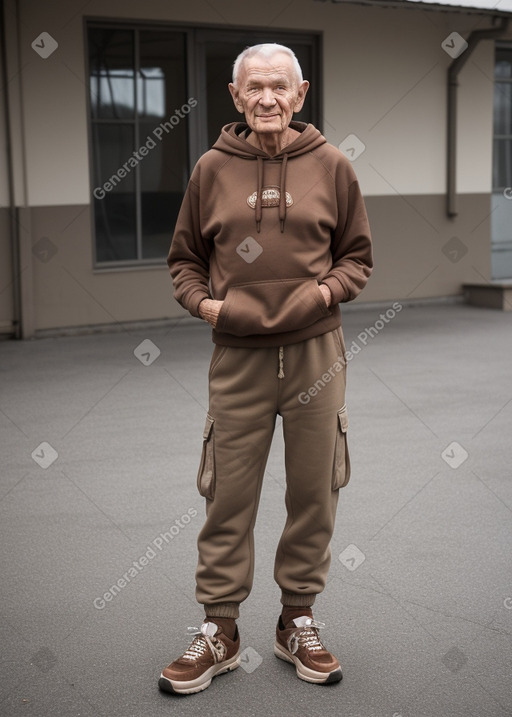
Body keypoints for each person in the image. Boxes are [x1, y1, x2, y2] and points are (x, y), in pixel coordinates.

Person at [159, 42, 373, 695]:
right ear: (236, 95)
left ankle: (296, 619)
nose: (267, 99)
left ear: (301, 93)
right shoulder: (210, 169)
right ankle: (218, 629)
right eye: (254, 87)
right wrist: (210, 307)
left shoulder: (334, 166)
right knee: (227, 494)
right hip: (238, 357)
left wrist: (323, 294)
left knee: (314, 491)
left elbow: (357, 257)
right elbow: (183, 261)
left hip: (317, 353)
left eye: (279, 87)